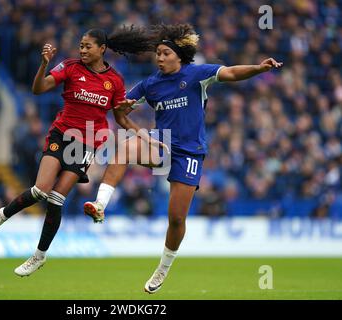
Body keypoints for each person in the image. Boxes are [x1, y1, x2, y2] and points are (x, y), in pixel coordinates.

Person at [83, 23, 283, 294]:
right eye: (158, 54)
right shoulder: (149, 85)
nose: (160, 58)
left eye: (165, 53)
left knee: (176, 219)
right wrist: (132, 124)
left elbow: (232, 72)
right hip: (162, 143)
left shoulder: (198, 74)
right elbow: (119, 111)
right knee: (125, 148)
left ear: (179, 55)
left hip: (189, 152)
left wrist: (259, 68)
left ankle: (163, 268)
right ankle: (100, 204)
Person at [0, 26, 159, 277]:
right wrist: (44, 64)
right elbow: (38, 89)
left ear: (102, 49)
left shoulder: (115, 81)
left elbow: (121, 118)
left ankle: (38, 256)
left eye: (88, 46)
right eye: (81, 46)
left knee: (56, 199)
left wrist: (143, 133)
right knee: (40, 190)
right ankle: (2, 215)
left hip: (86, 144)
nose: (83, 50)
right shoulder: (70, 67)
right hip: (62, 134)